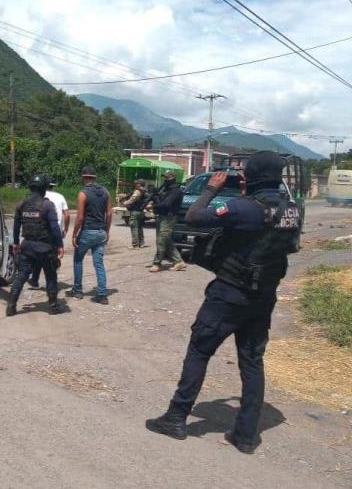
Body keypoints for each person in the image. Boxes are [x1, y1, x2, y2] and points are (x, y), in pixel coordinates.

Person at [145, 151, 301, 454]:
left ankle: (176, 417)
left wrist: (212, 188)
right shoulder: (290, 209)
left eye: (243, 174)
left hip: (230, 293)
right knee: (252, 361)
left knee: (200, 350)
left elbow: (193, 217)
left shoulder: (243, 207)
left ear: (251, 178)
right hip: (264, 296)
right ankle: (245, 436)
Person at [7, 175, 65, 316]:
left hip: (27, 246)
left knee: (21, 275)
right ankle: (53, 305)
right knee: (51, 276)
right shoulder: (47, 205)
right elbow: (54, 228)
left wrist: (15, 242)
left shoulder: (21, 204)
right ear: (44, 188)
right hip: (45, 247)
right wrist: (60, 245)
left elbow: (16, 225)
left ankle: (11, 306)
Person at [66, 165, 112, 305]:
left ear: (84, 177)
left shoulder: (83, 193)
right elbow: (109, 213)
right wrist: (107, 231)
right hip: (100, 232)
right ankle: (102, 294)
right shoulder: (105, 192)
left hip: (87, 231)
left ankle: (78, 290)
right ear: (95, 177)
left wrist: (74, 235)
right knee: (98, 263)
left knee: (78, 260)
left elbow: (79, 217)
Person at [28, 178, 70, 289]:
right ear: (53, 186)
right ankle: (51, 283)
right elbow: (67, 214)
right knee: (52, 258)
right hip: (55, 232)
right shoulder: (60, 197)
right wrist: (65, 229)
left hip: (38, 231)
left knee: (37, 255)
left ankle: (35, 280)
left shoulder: (37, 196)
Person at [145, 170, 185, 272]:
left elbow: (167, 204)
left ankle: (157, 263)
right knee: (166, 240)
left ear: (173, 178)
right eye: (165, 178)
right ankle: (179, 261)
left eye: (167, 178)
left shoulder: (176, 191)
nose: (165, 180)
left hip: (169, 218)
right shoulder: (166, 189)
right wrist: (154, 197)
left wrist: (152, 206)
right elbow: (161, 201)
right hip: (161, 216)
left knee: (161, 241)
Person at [122, 179, 148, 249]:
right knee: (140, 228)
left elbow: (132, 199)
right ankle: (141, 243)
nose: (135, 185)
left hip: (135, 211)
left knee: (134, 228)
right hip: (141, 211)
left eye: (137, 184)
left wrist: (125, 203)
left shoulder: (137, 191)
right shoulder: (145, 191)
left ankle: (135, 245)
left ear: (140, 184)